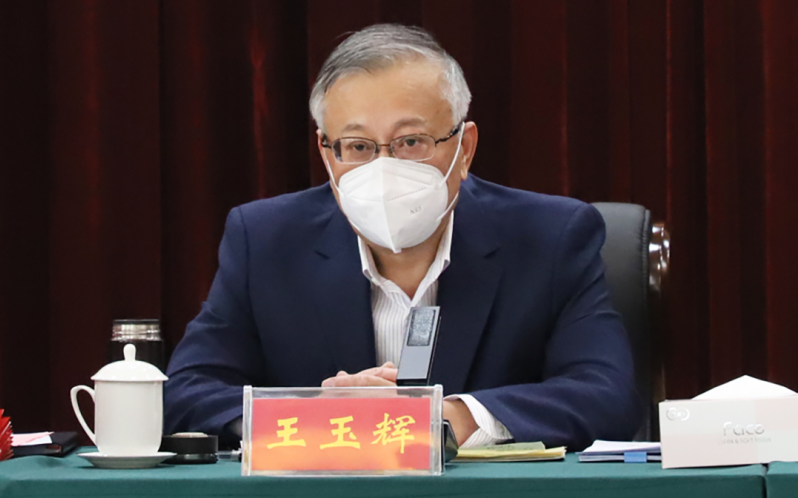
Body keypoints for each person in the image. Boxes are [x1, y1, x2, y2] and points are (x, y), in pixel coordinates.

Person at [164, 24, 641, 450]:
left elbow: (607, 396)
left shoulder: (551, 237)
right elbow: (186, 394)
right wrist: (314, 417)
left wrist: (448, 418)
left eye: (411, 142)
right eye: (357, 146)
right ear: (327, 155)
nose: (383, 168)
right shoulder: (265, 240)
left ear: (465, 148)